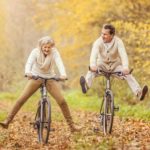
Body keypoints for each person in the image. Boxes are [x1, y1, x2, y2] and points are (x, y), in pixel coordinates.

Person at [0, 36, 80, 132]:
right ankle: (7, 121)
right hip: (36, 77)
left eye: (49, 47)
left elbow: (60, 63)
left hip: (50, 78)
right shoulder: (35, 52)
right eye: (44, 47)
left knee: (62, 101)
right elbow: (29, 63)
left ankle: (72, 127)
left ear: (52, 47)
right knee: (22, 99)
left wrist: (63, 74)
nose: (46, 49)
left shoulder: (55, 52)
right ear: (41, 46)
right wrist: (28, 72)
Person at [80, 24, 148, 100]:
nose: (102, 36)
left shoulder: (118, 41)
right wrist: (93, 65)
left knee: (128, 75)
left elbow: (123, 55)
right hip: (101, 65)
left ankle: (139, 93)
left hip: (115, 66)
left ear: (112, 35)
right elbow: (93, 55)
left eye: (105, 34)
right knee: (91, 71)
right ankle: (86, 86)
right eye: (102, 33)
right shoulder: (98, 42)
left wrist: (125, 67)